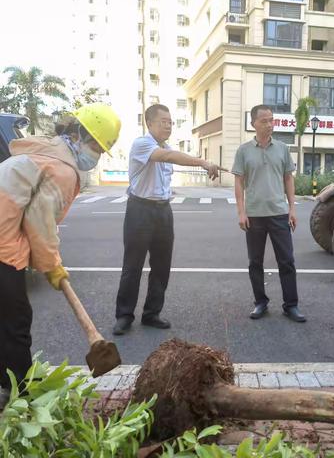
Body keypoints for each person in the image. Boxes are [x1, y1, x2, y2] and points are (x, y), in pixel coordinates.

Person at [0, 103, 121, 394]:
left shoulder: (47, 149)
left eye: (102, 150)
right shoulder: (63, 170)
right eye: (97, 146)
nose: (97, 155)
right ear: (79, 134)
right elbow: (39, 224)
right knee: (16, 319)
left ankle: (9, 380)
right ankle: (19, 390)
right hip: (2, 243)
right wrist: (52, 266)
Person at [113, 104, 225, 335]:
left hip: (163, 211)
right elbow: (168, 157)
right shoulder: (142, 144)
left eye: (171, 122)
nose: (168, 126)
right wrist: (203, 162)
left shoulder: (168, 148)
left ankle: (152, 313)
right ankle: (124, 315)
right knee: (132, 266)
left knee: (161, 266)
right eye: (163, 121)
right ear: (150, 123)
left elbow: (169, 160)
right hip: (140, 210)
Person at [232, 104, 306, 322]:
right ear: (253, 123)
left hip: (279, 213)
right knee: (255, 262)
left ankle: (291, 305)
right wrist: (241, 212)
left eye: (271, 120)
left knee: (287, 261)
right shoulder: (243, 151)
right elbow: (239, 181)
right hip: (254, 215)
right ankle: (260, 302)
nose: (269, 124)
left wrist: (292, 208)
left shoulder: (282, 148)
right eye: (264, 120)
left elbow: (288, 179)